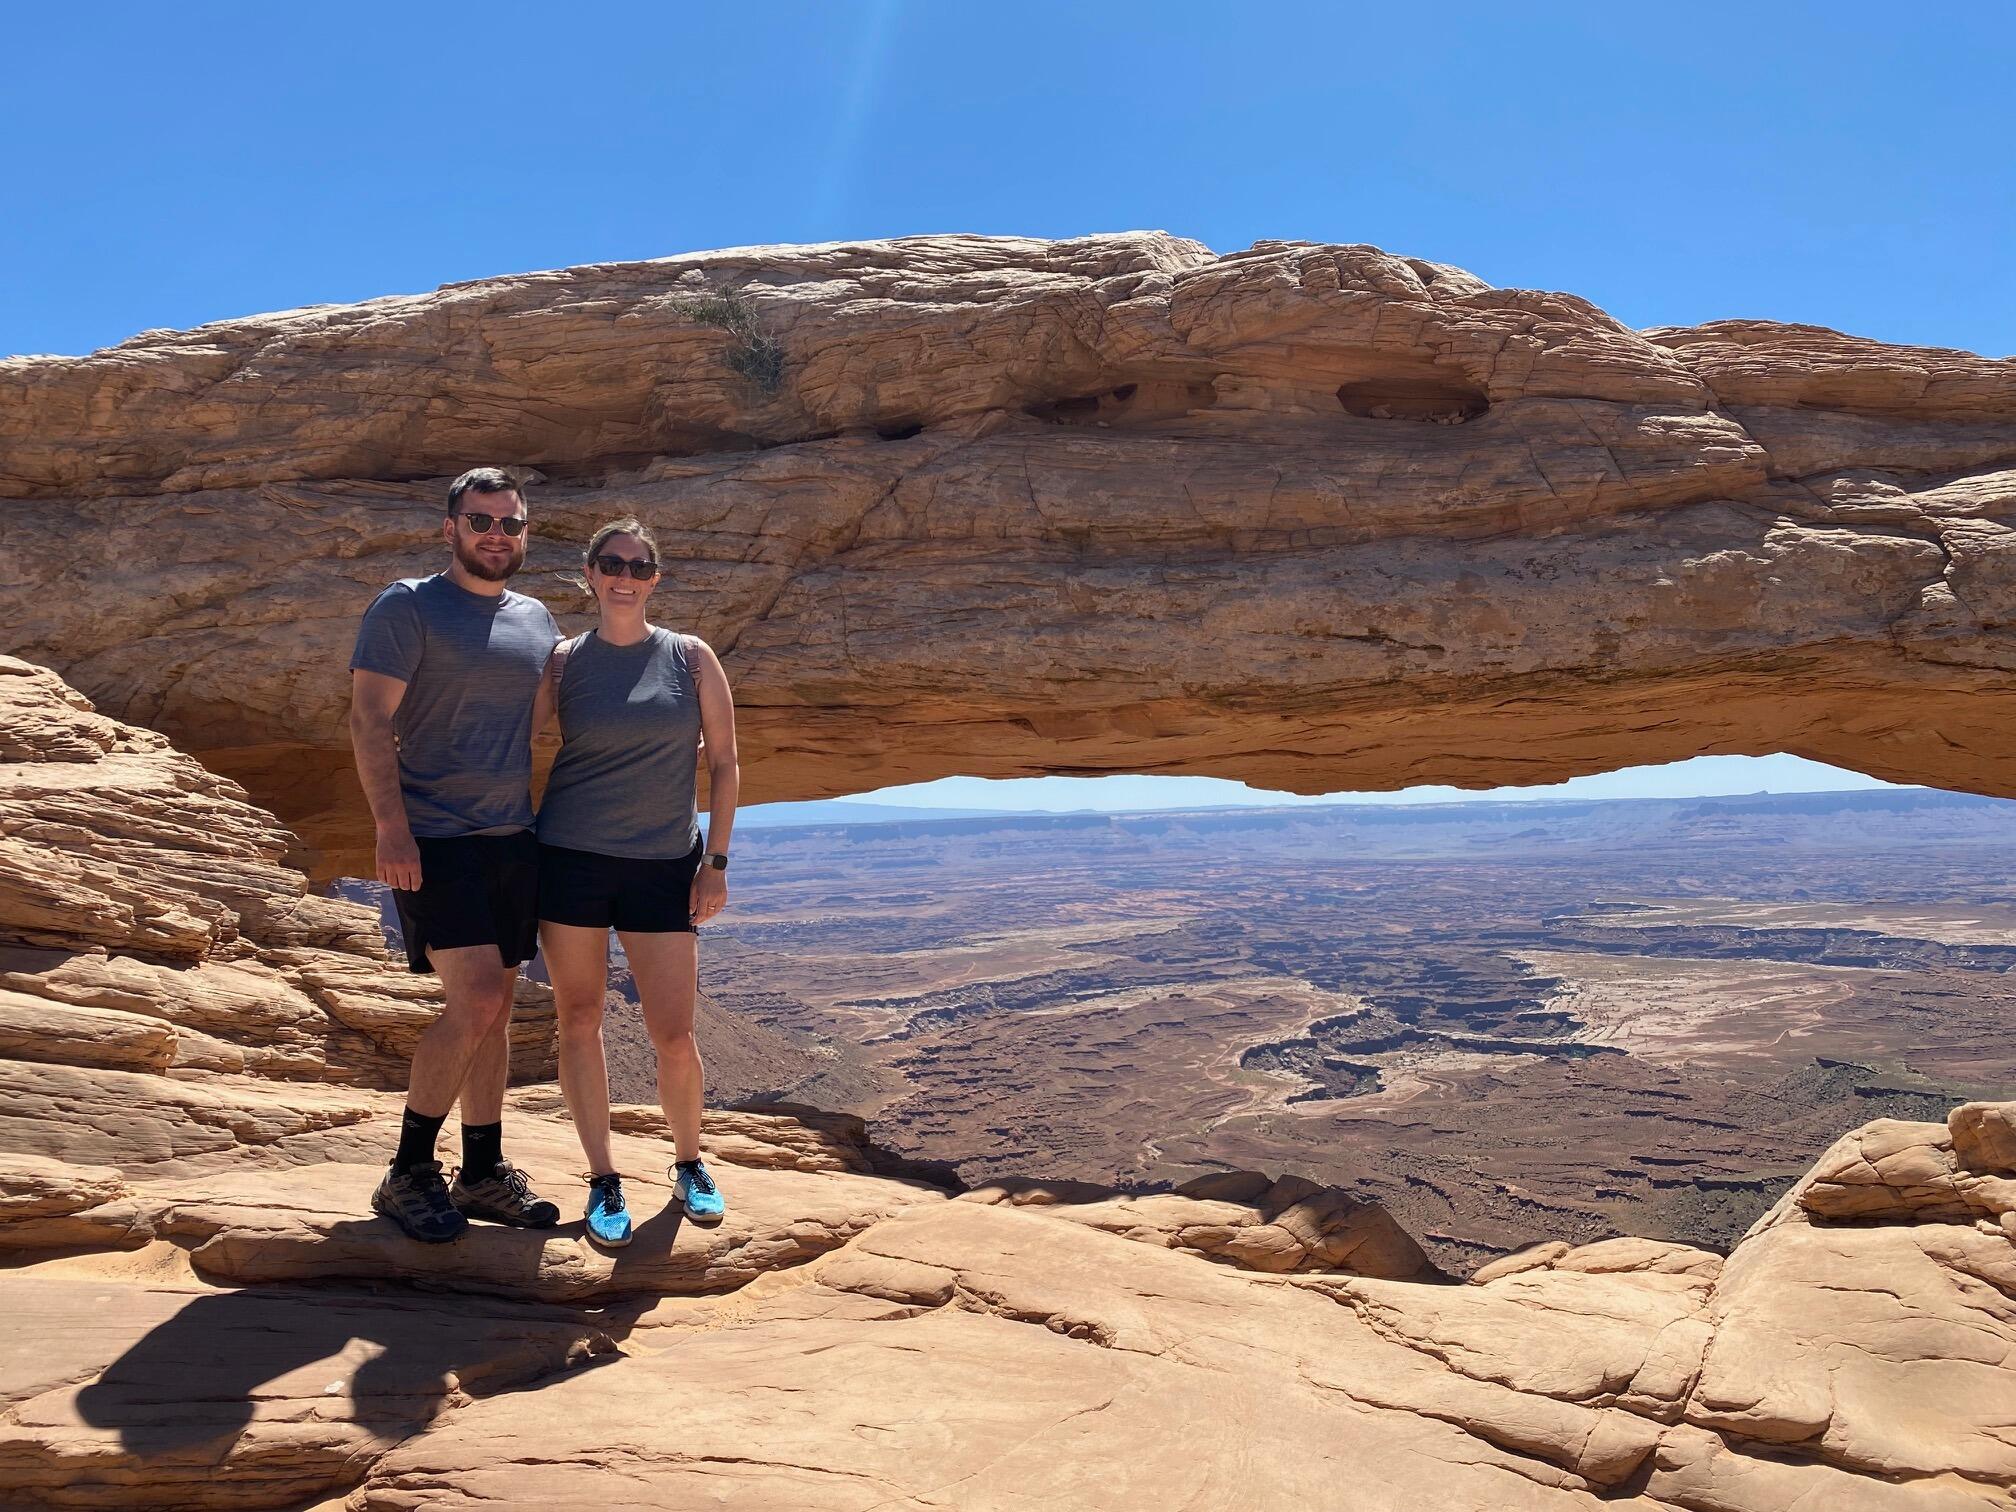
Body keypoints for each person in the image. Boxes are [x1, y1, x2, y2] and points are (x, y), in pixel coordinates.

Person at [348, 467, 563, 1243]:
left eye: (510, 521)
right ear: (451, 530)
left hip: (511, 837)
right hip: (435, 838)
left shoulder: (537, 619)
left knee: (497, 1012)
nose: (496, 534)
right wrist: (392, 829)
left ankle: (480, 1171)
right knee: (473, 1000)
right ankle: (407, 1171)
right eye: (480, 521)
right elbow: (370, 721)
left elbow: (553, 719)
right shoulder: (408, 607)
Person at [534, 517, 740, 1248]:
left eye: (640, 564)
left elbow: (723, 764)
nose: (625, 574)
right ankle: (602, 1177)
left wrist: (714, 863)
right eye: (611, 562)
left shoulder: (689, 657)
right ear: (589, 573)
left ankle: (689, 1163)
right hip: (571, 860)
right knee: (580, 1020)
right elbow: (516, 746)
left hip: (662, 865)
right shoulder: (560, 663)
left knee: (674, 1033)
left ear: (655, 577)